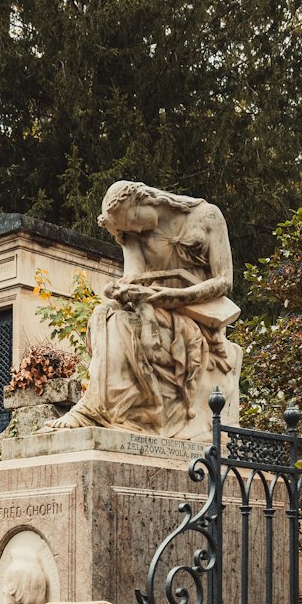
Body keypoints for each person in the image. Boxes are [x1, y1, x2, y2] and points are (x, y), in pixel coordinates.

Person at [52, 180, 241, 440]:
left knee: (119, 324)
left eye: (135, 220)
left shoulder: (207, 215)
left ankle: (121, 409)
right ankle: (99, 407)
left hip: (193, 315)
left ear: (144, 199)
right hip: (153, 309)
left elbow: (224, 281)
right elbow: (135, 278)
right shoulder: (132, 234)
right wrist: (123, 290)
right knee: (105, 315)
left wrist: (170, 296)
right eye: (129, 229)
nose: (137, 230)